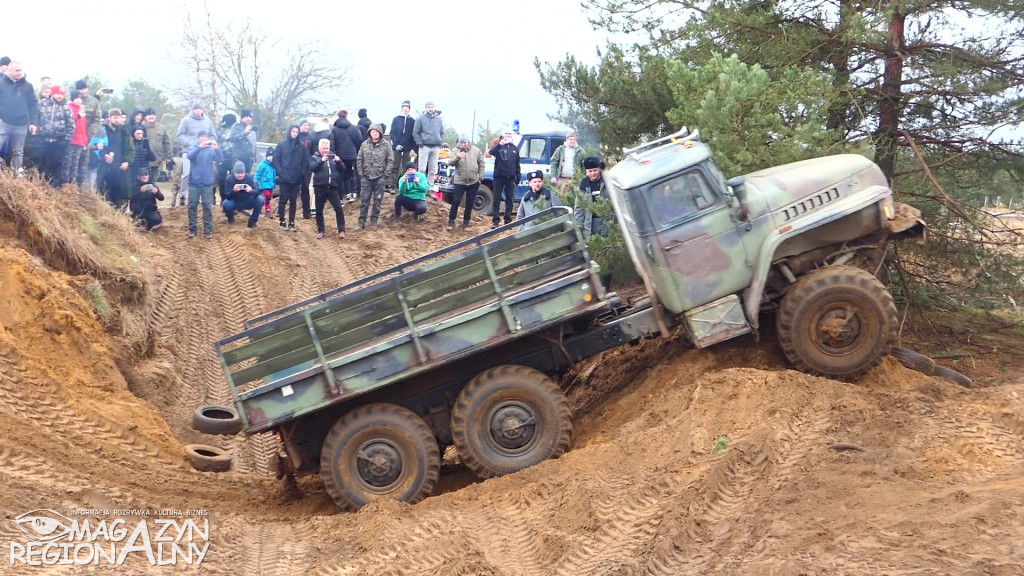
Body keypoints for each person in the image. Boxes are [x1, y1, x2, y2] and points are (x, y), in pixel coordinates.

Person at [575, 157, 613, 288]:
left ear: (599, 169)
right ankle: (596, 285)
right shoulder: (583, 186)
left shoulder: (607, 181)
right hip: (591, 225)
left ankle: (606, 285)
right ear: (586, 172)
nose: (593, 174)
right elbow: (579, 208)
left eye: (595, 170)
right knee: (594, 256)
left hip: (608, 223)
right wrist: (580, 227)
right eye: (590, 171)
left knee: (608, 256)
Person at [0, 61, 39, 174]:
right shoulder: (1, 83)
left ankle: (15, 173)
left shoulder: (28, 86)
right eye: (17, 70)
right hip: (3, 122)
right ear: (9, 71)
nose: (19, 73)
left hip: (21, 124)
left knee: (18, 152)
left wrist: (33, 123)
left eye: (21, 70)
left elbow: (33, 105)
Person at [32, 84, 73, 186]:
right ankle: (39, 181)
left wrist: (66, 139)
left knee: (57, 163)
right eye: (58, 93)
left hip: (59, 140)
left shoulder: (66, 107)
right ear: (52, 93)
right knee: (39, 160)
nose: (60, 96)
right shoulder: (42, 104)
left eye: (62, 94)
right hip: (42, 138)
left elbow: (71, 125)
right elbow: (35, 117)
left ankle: (55, 185)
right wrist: (36, 133)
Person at [355, 123, 394, 231]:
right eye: (373, 131)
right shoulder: (364, 144)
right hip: (366, 178)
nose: (375, 133)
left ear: (380, 133)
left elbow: (390, 160)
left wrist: (385, 175)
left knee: (377, 201)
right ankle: (361, 222)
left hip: (379, 177)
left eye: (377, 131)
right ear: (369, 133)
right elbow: (359, 159)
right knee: (364, 201)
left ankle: (374, 222)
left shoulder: (386, 145)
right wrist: (361, 175)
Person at [175, 102, 214, 207]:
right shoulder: (185, 120)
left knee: (203, 173)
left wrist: (209, 143)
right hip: (189, 151)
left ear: (202, 110)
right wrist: (190, 143)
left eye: (199, 109)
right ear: (192, 110)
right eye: (195, 109)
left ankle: (201, 197)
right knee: (187, 174)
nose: (197, 111)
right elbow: (179, 135)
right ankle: (183, 195)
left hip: (204, 152)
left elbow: (212, 135)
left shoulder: (208, 121)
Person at [186, 130, 222, 238]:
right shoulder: (194, 148)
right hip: (194, 183)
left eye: (206, 137)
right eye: (202, 137)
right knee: (192, 206)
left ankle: (208, 231)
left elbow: (220, 160)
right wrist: (199, 147)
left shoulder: (211, 150)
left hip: (207, 183)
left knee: (207, 207)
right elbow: (189, 156)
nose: (204, 139)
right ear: (198, 138)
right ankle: (192, 230)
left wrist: (218, 149)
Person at [308, 138, 346, 239]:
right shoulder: (314, 158)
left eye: (327, 148)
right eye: (324, 148)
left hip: (333, 188)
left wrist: (339, 161)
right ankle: (321, 230)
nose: (326, 150)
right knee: (319, 210)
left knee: (338, 208)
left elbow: (343, 169)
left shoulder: (333, 157)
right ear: (319, 148)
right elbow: (312, 168)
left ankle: (341, 230)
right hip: (320, 187)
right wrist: (321, 161)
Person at [446, 134, 485, 230]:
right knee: (456, 200)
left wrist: (480, 177)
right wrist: (458, 157)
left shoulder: (476, 150)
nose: (463, 144)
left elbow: (481, 163)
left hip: (473, 181)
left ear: (468, 142)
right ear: (458, 143)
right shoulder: (455, 151)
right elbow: (450, 162)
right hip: (460, 181)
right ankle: (451, 221)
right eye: (461, 142)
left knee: (470, 202)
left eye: (465, 142)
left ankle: (466, 222)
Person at [98, 109, 133, 208]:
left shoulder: (124, 132)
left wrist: (127, 162)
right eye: (115, 117)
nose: (117, 120)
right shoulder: (102, 130)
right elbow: (96, 146)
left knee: (120, 197)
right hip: (105, 169)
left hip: (120, 169)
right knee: (104, 195)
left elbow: (131, 149)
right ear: (109, 118)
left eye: (119, 117)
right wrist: (104, 155)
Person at [273, 124, 304, 231]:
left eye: (296, 132)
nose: (295, 134)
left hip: (296, 177)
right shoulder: (282, 145)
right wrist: (280, 171)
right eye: (293, 131)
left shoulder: (301, 146)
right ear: (289, 132)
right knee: (283, 199)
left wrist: (302, 173)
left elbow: (305, 160)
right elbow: (276, 158)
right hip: (284, 176)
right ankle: (282, 221)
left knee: (293, 200)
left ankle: (291, 222)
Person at [489, 130, 520, 228]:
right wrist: (499, 144)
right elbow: (491, 152)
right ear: (502, 137)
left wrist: (518, 176)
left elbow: (517, 164)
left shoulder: (514, 148)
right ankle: (495, 220)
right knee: (496, 199)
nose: (508, 137)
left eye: (510, 135)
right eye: (506, 136)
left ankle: (507, 220)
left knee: (510, 199)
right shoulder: (499, 147)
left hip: (510, 178)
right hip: (499, 177)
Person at [332, 108, 362, 203]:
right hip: (351, 155)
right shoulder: (353, 128)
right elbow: (360, 140)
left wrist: (334, 154)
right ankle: (350, 195)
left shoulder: (334, 129)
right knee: (349, 175)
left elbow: (333, 143)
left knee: (339, 176)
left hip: (339, 156)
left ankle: (340, 198)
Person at [222, 161, 262, 228]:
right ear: (234, 173)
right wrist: (233, 191)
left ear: (244, 172)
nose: (240, 175)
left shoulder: (249, 178)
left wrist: (251, 190)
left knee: (260, 200)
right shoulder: (229, 179)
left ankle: (252, 221)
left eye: (242, 173)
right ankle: (230, 218)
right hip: (235, 202)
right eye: (238, 173)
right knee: (225, 204)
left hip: (247, 200)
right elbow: (226, 195)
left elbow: (258, 191)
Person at [413, 102, 443, 190]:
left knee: (433, 168)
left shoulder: (439, 120)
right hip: (424, 146)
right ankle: (421, 186)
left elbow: (442, 132)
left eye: (432, 107)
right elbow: (415, 133)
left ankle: (430, 187)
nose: (430, 109)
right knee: (422, 168)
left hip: (436, 146)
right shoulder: (420, 119)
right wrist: (420, 143)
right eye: (429, 107)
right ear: (426, 108)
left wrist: (440, 141)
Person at [62, 92, 89, 187]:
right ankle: (65, 182)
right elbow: (69, 122)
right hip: (71, 139)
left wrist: (85, 141)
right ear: (73, 99)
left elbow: (83, 127)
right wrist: (78, 116)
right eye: (77, 98)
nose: (79, 100)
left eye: (80, 98)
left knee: (75, 163)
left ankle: (72, 183)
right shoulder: (69, 108)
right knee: (67, 162)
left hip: (80, 141)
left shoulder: (81, 110)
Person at [389, 100, 416, 190]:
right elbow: (392, 133)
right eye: (404, 107)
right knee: (395, 165)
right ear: (402, 108)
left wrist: (413, 148)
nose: (405, 109)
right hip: (397, 147)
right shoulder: (396, 119)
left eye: (407, 107)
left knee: (406, 166)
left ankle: (403, 184)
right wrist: (395, 144)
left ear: (409, 109)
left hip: (407, 147)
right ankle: (393, 185)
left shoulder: (412, 121)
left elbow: (414, 135)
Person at [142, 108, 172, 182]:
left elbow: (166, 142)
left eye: (153, 115)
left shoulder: (161, 128)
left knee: (153, 183)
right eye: (149, 115)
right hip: (143, 161)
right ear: (145, 117)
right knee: (142, 183)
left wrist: (169, 157)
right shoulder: (140, 127)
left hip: (156, 161)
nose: (151, 117)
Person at [296, 119, 314, 219]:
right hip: (295, 167)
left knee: (305, 190)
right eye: (304, 125)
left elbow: (313, 152)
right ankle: (281, 210)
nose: (306, 127)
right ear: (300, 126)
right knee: (292, 189)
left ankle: (306, 212)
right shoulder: (296, 136)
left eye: (307, 125)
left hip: (307, 167)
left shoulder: (310, 138)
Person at [254, 149, 276, 217]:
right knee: (267, 197)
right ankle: (267, 211)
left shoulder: (273, 166)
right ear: (266, 156)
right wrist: (255, 181)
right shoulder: (262, 165)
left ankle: (259, 207)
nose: (271, 157)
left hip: (270, 185)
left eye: (272, 156)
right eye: (269, 156)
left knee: (268, 198)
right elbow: (258, 173)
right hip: (264, 184)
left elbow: (273, 175)